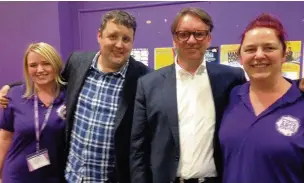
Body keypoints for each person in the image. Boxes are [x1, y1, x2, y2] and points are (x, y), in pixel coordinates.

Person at [0, 10, 152, 183]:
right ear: (99, 35)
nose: (119, 44)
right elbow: (49, 80)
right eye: (113, 37)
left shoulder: (143, 78)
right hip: (71, 177)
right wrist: (11, 88)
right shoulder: (77, 62)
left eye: (126, 39)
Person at [130, 7, 246, 183]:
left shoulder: (231, 78)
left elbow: (264, 87)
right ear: (174, 40)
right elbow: (138, 146)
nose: (191, 40)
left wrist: (297, 85)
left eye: (199, 34)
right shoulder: (148, 84)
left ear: (209, 38)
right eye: (183, 34)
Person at [219, 13, 304, 183]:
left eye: (269, 48)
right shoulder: (233, 96)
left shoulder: (300, 102)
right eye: (250, 49)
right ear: (241, 57)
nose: (259, 55)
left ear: (284, 54)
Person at [0, 42, 66, 183]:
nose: (40, 70)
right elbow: (4, 138)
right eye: (33, 65)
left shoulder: (70, 95)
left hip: (56, 176)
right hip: (17, 176)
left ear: (56, 64)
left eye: (46, 63)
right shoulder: (14, 96)